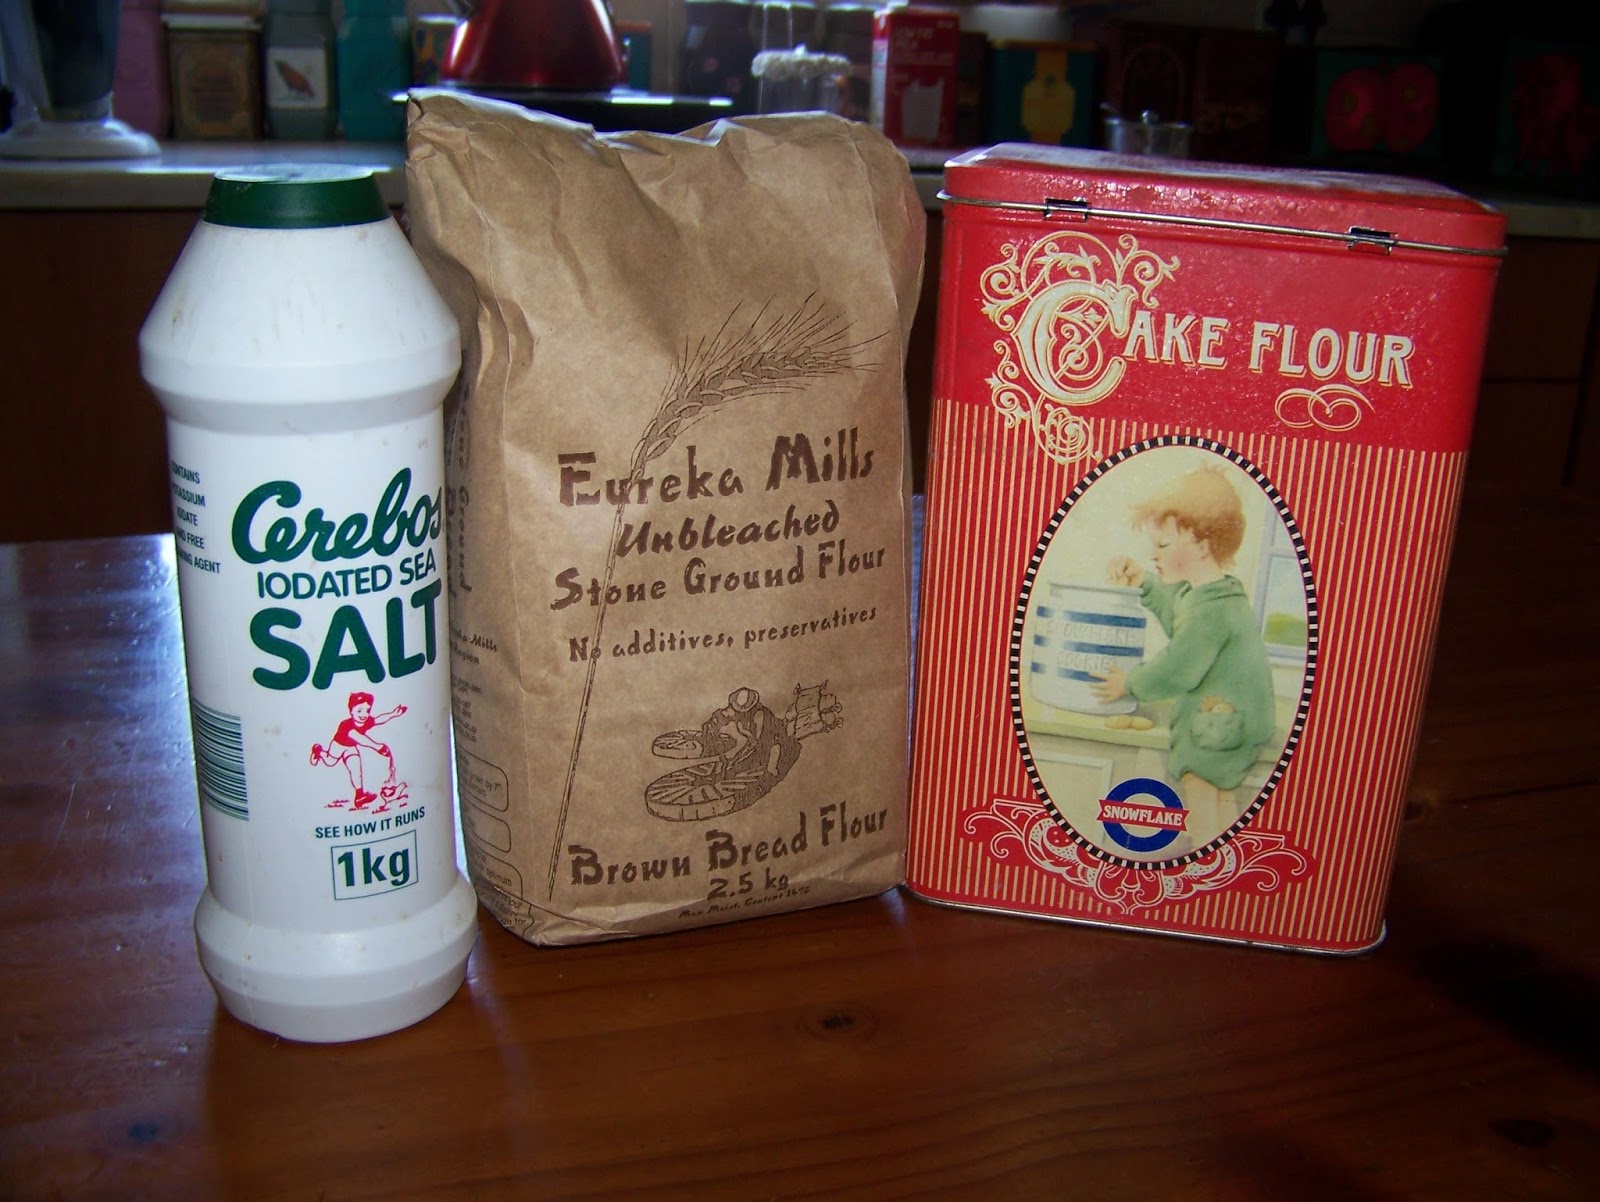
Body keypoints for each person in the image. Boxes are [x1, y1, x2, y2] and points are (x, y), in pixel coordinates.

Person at [1089, 466, 1275, 838]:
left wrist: (1131, 682)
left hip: (1218, 724)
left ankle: (1208, 864)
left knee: (1203, 794)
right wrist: (1144, 579)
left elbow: (1179, 667)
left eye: (1162, 545)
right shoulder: (1209, 592)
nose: (1153, 553)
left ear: (1202, 544)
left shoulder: (1211, 609)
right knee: (1220, 800)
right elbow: (1178, 607)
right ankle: (1221, 866)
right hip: (1230, 720)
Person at [310, 692, 407, 809]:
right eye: (359, 710)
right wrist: (378, 747)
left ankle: (359, 796)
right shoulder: (346, 725)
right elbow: (359, 738)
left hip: (351, 747)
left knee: (356, 769)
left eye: (367, 710)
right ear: (351, 711)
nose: (364, 714)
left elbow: (378, 720)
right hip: (338, 746)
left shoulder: (366, 721)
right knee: (330, 762)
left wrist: (393, 714)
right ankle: (319, 751)